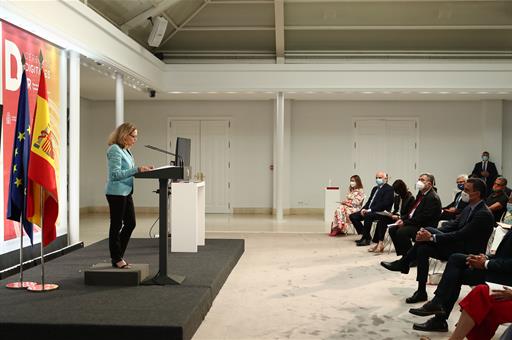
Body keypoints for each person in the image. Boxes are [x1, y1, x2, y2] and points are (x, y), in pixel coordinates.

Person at [381, 178, 494, 304]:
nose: (463, 192)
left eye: (467, 190)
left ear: (477, 194)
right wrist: (432, 233)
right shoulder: (469, 207)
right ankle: (421, 291)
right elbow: (452, 225)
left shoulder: (482, 213)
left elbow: (461, 234)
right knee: (423, 248)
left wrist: (432, 236)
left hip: (468, 251)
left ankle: (404, 262)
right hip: (457, 245)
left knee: (428, 231)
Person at [408, 227, 512, 333]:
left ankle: (439, 312)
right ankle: (438, 309)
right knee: (455, 262)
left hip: (504, 279)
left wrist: (485, 263)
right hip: (496, 269)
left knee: (455, 271)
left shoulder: (482, 214)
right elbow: (502, 255)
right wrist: (485, 257)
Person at [105, 122, 153, 269]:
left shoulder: (127, 150)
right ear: (124, 135)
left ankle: (118, 255)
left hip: (126, 191)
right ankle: (117, 257)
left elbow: (129, 170)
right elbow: (115, 175)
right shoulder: (114, 149)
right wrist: (137, 169)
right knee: (116, 225)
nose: (135, 139)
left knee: (131, 223)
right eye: (133, 136)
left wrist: (141, 169)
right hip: (116, 193)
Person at [388, 173, 442, 256]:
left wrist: (405, 223)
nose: (419, 182)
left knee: (402, 232)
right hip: (416, 222)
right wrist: (402, 219)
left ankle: (412, 257)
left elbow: (423, 217)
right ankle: (404, 255)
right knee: (393, 229)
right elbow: (412, 211)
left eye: (422, 180)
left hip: (425, 226)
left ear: (429, 184)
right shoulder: (421, 194)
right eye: (419, 179)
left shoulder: (432, 197)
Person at [349, 171, 394, 246]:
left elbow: (384, 204)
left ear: (385, 179)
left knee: (368, 215)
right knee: (353, 216)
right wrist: (363, 209)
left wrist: (370, 210)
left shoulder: (389, 189)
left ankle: (366, 239)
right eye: (376, 178)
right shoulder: (375, 188)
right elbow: (369, 201)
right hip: (370, 210)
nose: (377, 179)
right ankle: (367, 236)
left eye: (379, 178)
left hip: (381, 212)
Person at [368, 179, 414, 252]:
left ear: (401, 190)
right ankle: (380, 242)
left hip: (403, 219)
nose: (395, 193)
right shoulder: (397, 197)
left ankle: (380, 243)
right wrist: (391, 213)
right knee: (382, 219)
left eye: (396, 191)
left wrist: (399, 217)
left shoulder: (410, 198)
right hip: (396, 217)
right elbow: (396, 209)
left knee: (385, 222)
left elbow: (409, 214)